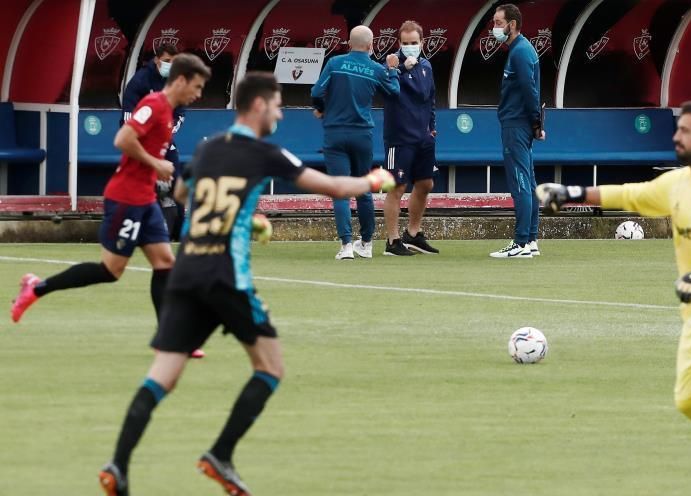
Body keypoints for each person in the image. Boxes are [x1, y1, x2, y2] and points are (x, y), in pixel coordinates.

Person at [97, 71, 396, 496]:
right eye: (275, 105)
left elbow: (183, 194)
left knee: (161, 377)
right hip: (225, 275)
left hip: (186, 271)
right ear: (258, 106)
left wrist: (238, 216)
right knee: (271, 367)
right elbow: (330, 186)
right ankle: (220, 453)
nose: (278, 112)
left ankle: (119, 465)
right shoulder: (264, 153)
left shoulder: (207, 148)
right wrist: (371, 181)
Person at [537, 101, 691, 496]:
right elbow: (631, 194)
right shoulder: (677, 183)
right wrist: (573, 192)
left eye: (684, 130)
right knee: (687, 401)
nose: (676, 136)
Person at [11, 54, 211, 359]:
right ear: (180, 80)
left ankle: (169, 339)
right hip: (126, 198)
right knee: (110, 270)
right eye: (196, 87)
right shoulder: (154, 105)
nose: (198, 95)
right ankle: (37, 288)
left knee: (165, 264)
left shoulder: (170, 112)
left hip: (145, 199)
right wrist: (155, 162)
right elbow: (123, 138)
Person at [311, 25, 400, 260]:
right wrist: (391, 70)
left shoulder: (335, 63)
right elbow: (394, 92)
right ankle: (367, 244)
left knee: (340, 190)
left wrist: (321, 109)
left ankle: (347, 246)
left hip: (335, 134)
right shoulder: (375, 68)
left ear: (348, 43)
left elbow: (316, 92)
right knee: (363, 189)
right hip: (363, 135)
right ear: (371, 46)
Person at [489, 3, 544, 259]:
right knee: (529, 182)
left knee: (521, 183)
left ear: (512, 25)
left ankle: (521, 242)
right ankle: (531, 239)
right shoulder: (520, 50)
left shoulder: (521, 52)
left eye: (499, 23)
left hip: (516, 125)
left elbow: (529, 90)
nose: (494, 28)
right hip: (520, 123)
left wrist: (536, 123)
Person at [381, 20, 439, 256]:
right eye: (405, 43)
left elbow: (431, 98)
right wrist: (401, 68)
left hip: (423, 136)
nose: (410, 47)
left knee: (426, 183)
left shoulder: (426, 66)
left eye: (414, 43)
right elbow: (384, 86)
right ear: (399, 43)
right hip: (400, 136)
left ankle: (413, 234)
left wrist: (432, 126)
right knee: (397, 186)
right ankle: (392, 241)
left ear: (422, 42)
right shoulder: (391, 64)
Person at [122, 42, 186, 241]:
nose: (170, 65)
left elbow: (180, 114)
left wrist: (166, 134)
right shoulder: (140, 81)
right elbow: (127, 118)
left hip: (165, 142)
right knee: (145, 186)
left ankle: (180, 232)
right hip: (141, 143)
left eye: (174, 62)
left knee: (176, 181)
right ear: (157, 60)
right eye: (167, 61)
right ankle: (145, 230)